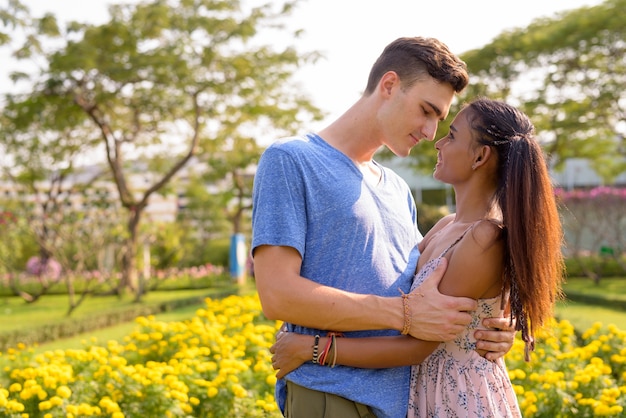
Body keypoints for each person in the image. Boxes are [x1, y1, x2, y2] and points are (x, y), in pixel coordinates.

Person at [252, 37, 516, 418]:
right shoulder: (292, 160)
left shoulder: (396, 188)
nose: (430, 132)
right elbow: (278, 295)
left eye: (439, 121)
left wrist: (483, 326)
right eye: (426, 111)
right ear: (389, 85)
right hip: (334, 394)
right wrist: (404, 313)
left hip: (409, 402)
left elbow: (427, 286)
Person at [270, 97, 565, 417]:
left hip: (459, 398)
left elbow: (417, 346)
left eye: (451, 135)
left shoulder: (484, 239)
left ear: (480, 156)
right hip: (429, 392)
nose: (438, 142)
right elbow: (391, 276)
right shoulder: (448, 225)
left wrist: (312, 348)